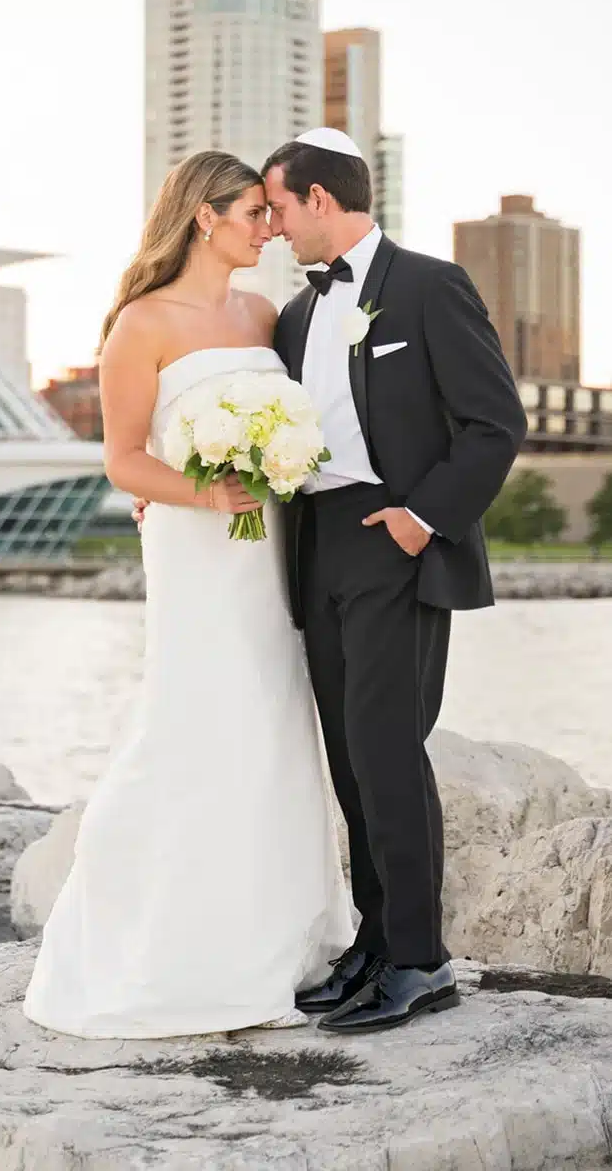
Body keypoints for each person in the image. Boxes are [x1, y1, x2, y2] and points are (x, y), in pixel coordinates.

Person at [23, 151, 353, 1039]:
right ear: (204, 217)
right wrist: (205, 491)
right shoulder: (140, 323)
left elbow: (305, 416)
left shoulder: (263, 314)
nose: (267, 226)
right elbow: (124, 458)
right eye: (252, 211)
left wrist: (275, 462)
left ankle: (275, 938)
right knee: (195, 719)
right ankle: (155, 940)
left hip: (269, 548)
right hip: (197, 549)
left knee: (274, 720)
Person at [257, 126, 527, 1033]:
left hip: (397, 537)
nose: (276, 224)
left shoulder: (428, 286)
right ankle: (375, 946)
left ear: (322, 201)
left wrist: (421, 518)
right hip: (318, 543)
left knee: (387, 750)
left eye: (281, 206)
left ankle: (422, 960)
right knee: (346, 755)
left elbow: (494, 422)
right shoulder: (295, 316)